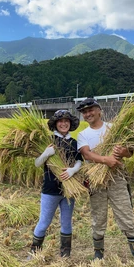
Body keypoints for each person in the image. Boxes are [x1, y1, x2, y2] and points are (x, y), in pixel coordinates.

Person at [76, 97, 134, 267]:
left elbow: (130, 153)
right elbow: (87, 155)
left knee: (126, 217)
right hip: (96, 181)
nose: (87, 114)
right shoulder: (83, 135)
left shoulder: (114, 128)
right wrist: (106, 160)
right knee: (98, 218)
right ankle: (98, 255)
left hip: (117, 178)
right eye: (84, 112)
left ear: (99, 110)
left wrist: (122, 152)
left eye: (90, 110)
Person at [29, 110, 83, 258]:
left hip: (68, 190)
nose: (64, 123)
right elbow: (37, 163)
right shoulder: (48, 141)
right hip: (50, 190)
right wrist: (46, 153)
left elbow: (80, 160)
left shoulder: (74, 142)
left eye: (67, 121)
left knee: (66, 223)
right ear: (55, 124)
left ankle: (65, 255)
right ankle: (34, 254)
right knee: (44, 222)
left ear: (70, 124)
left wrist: (73, 170)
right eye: (60, 121)